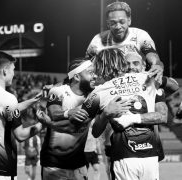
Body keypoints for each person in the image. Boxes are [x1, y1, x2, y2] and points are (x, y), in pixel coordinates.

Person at [83, 48, 168, 180]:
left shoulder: (99, 92)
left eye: (96, 69)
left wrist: (105, 115)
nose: (94, 74)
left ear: (102, 67)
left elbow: (93, 131)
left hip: (124, 156)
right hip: (150, 155)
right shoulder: (146, 78)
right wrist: (159, 67)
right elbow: (173, 85)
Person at [0, 51, 46, 180]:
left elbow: (4, 109)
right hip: (0, 168)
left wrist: (32, 101)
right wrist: (44, 123)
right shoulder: (9, 99)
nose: (14, 74)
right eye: (13, 70)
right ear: (5, 70)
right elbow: (21, 135)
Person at [40, 58, 96, 180]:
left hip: (79, 163)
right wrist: (68, 112)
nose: (95, 76)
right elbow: (54, 113)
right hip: (54, 163)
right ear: (76, 77)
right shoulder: (58, 91)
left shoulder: (93, 97)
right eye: (90, 72)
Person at [85, 1, 164, 83]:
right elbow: (86, 65)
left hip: (136, 84)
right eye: (113, 23)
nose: (118, 26)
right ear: (108, 24)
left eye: (122, 22)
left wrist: (156, 65)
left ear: (129, 21)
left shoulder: (140, 35)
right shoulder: (98, 40)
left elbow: (152, 55)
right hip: (107, 86)